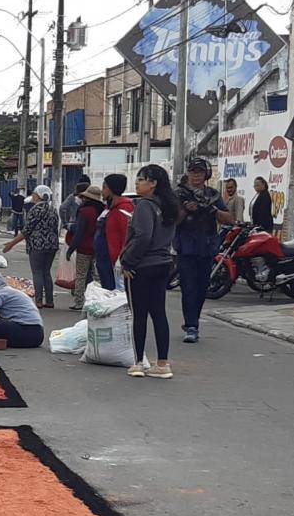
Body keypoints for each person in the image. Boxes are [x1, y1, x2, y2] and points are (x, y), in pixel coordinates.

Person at [120, 163, 179, 378]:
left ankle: (137, 362)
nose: (137, 182)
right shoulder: (168, 206)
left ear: (153, 183)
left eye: (141, 179)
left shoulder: (144, 205)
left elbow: (143, 236)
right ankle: (162, 364)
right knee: (159, 313)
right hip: (163, 263)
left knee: (139, 314)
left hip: (142, 265)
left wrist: (128, 262)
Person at [175, 157, 233, 343]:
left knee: (201, 288)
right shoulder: (179, 194)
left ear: (206, 175)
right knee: (188, 287)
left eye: (199, 172)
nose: (196, 176)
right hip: (186, 247)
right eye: (193, 172)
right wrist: (185, 210)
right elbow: (171, 221)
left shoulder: (213, 195)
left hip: (206, 247)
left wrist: (212, 210)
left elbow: (228, 219)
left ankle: (194, 321)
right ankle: (191, 325)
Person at [3, 185, 59, 308]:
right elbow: (56, 228)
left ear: (38, 196)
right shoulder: (53, 209)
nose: (32, 196)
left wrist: (11, 244)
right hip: (52, 245)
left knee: (37, 272)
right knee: (46, 272)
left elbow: (26, 230)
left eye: (34, 194)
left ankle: (38, 301)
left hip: (37, 244)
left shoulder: (35, 210)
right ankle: (49, 301)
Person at [65, 185, 103, 310]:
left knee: (81, 276)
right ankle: (97, 300)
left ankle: (79, 302)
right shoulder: (103, 211)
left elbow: (79, 232)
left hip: (84, 249)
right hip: (98, 247)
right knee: (97, 276)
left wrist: (70, 250)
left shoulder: (84, 211)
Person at [95, 174, 133, 291]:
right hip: (103, 259)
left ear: (112, 189)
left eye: (104, 187)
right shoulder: (108, 208)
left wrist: (121, 259)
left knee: (114, 292)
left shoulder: (123, 209)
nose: (102, 191)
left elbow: (126, 235)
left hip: (114, 261)